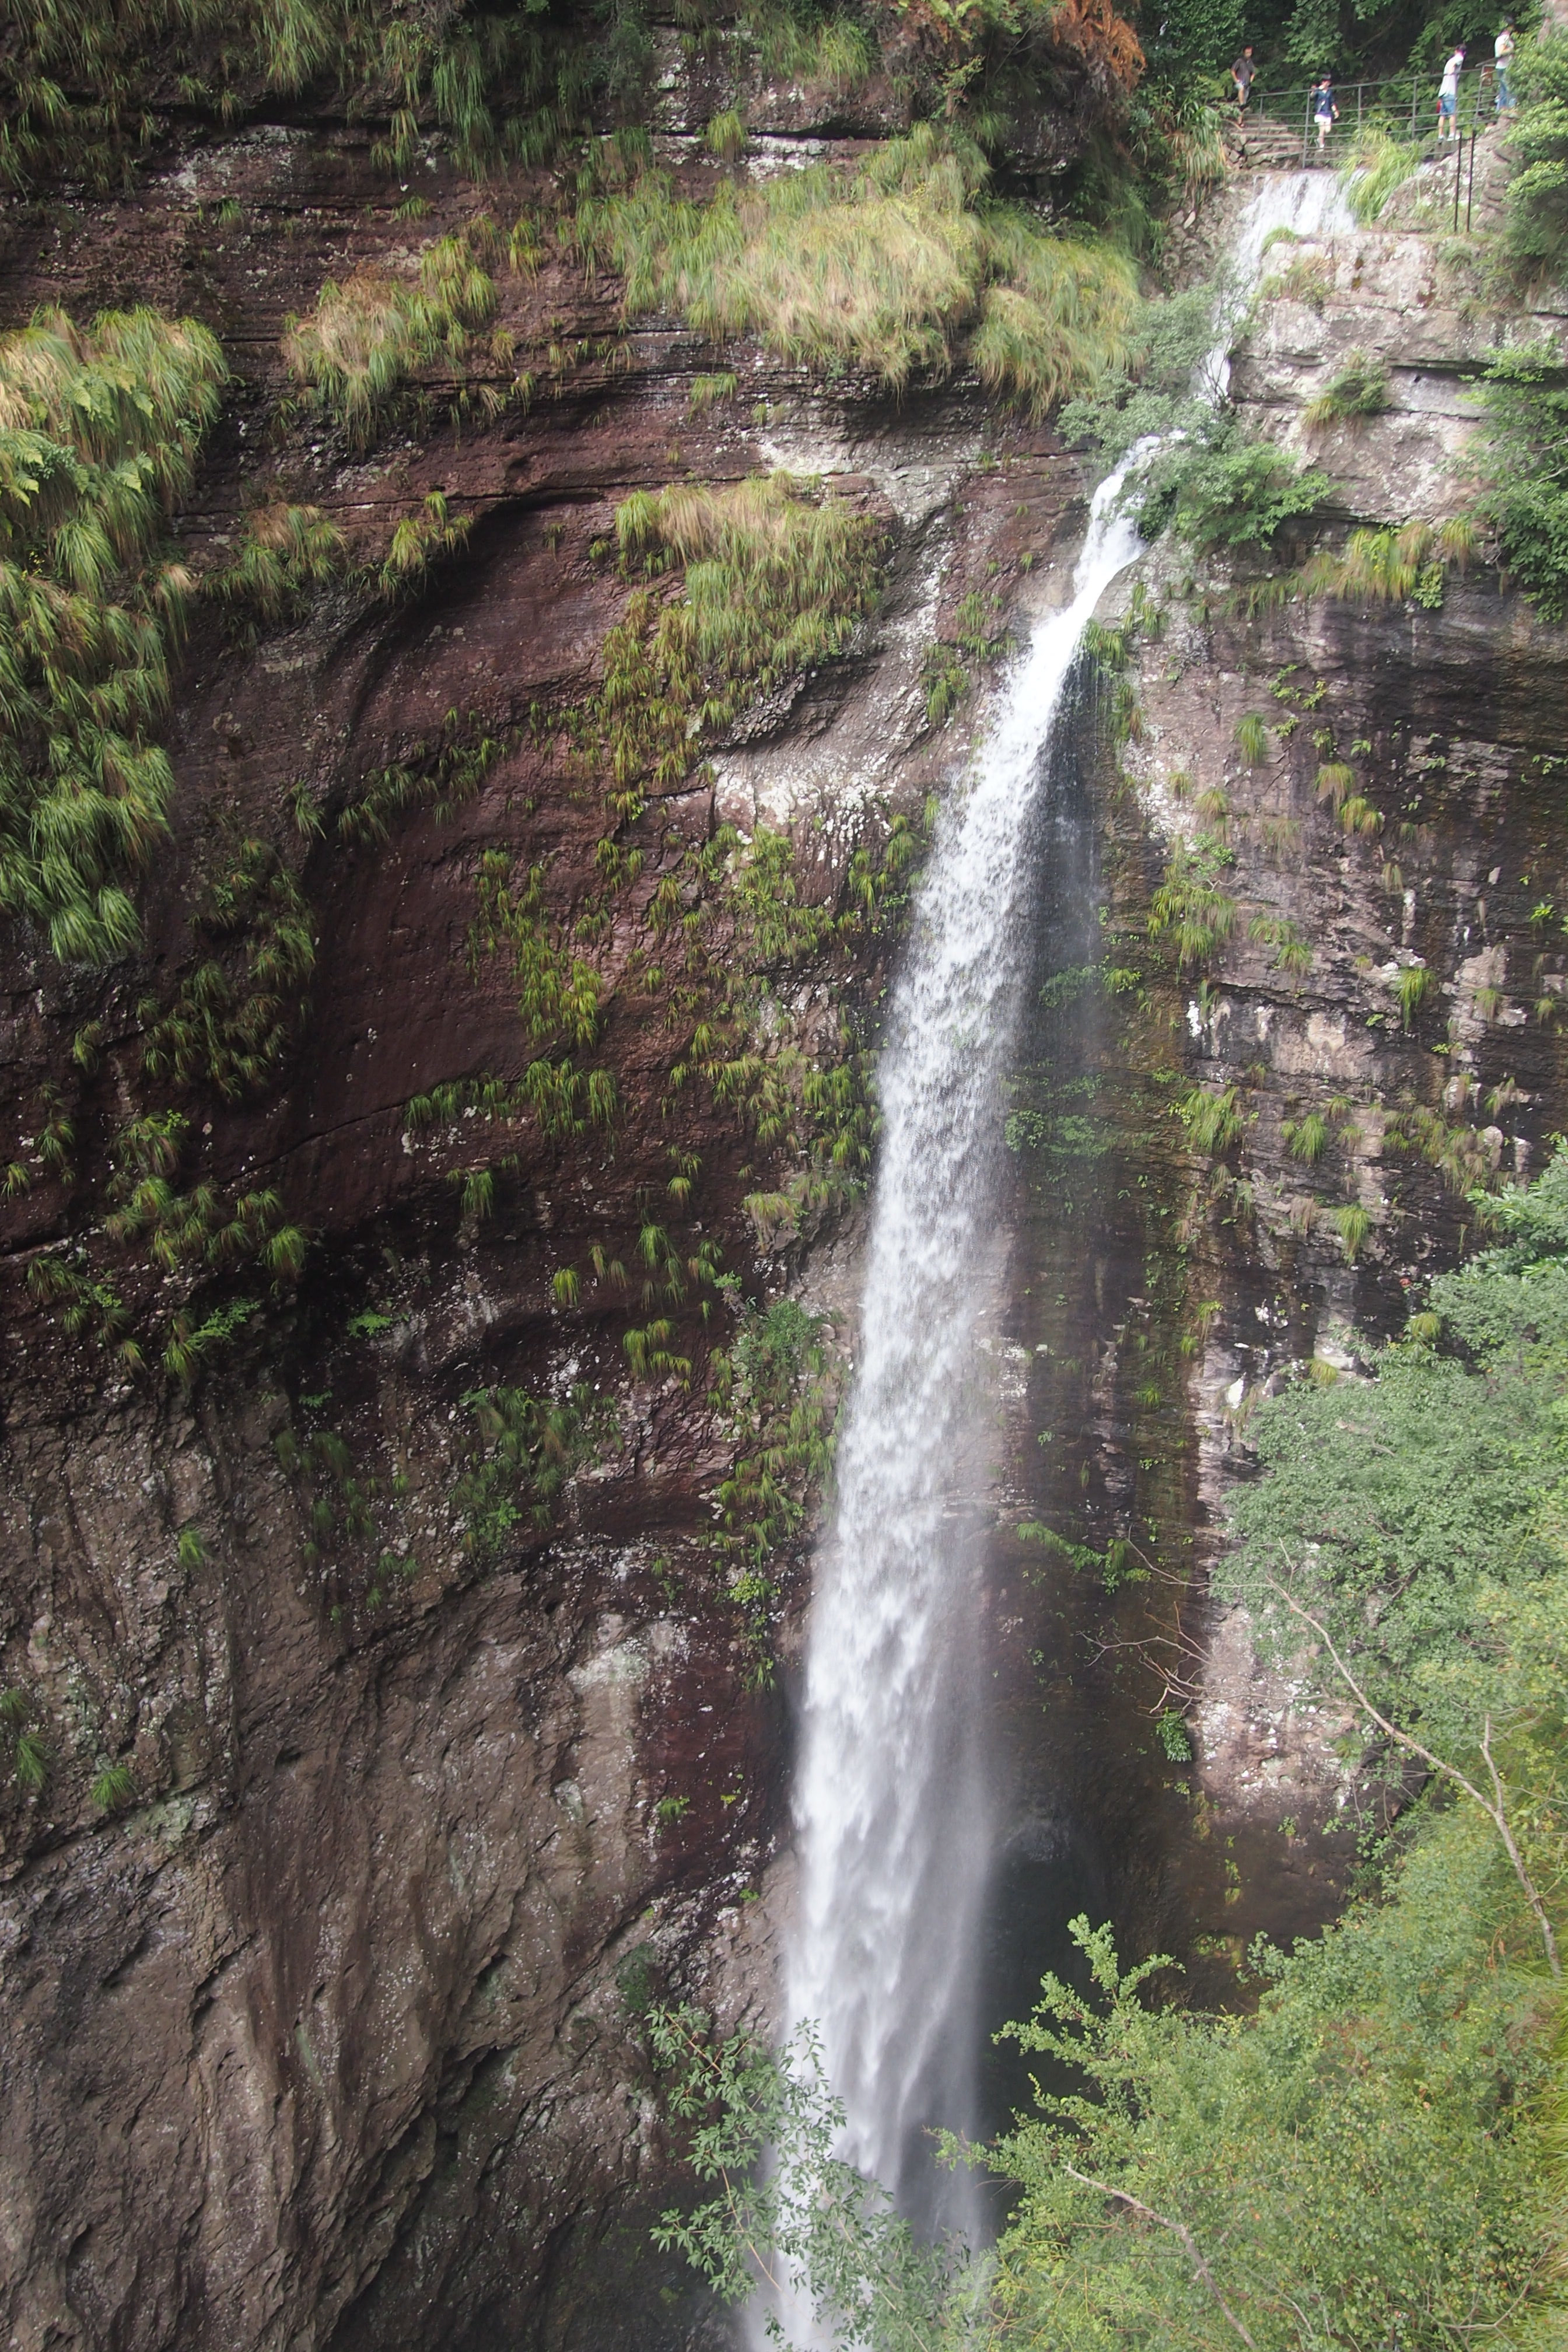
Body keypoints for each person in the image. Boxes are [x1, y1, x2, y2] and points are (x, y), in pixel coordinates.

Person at [1437, 43, 1465, 139]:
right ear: (1463, 53)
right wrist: (1451, 72)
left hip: (1443, 91)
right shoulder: (1459, 58)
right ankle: (1452, 134)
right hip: (1450, 91)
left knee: (1443, 115)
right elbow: (1453, 66)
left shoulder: (1449, 60)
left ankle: (1440, 135)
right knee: (1452, 114)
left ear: (1455, 51)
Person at [1312, 73, 1338, 150]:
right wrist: (1315, 90)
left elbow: (1332, 102)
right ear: (1323, 82)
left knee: (1328, 130)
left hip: (1327, 113)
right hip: (1320, 113)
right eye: (1327, 82)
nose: (1329, 83)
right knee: (1322, 129)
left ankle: (1318, 140)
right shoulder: (1318, 90)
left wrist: (1335, 111)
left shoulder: (1329, 92)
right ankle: (1321, 146)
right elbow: (1312, 96)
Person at [1495, 20, 1516, 113]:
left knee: (1503, 90)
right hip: (1505, 66)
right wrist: (1512, 50)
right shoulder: (1505, 38)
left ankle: (1502, 110)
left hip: (1501, 66)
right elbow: (1501, 52)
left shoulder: (1500, 38)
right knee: (1511, 88)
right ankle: (1512, 109)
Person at [1231, 44, 1257, 109]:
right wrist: (1236, 80)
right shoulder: (1239, 61)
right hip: (1238, 83)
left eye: (1250, 53)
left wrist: (1251, 80)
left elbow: (1253, 73)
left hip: (1247, 84)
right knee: (1241, 88)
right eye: (1247, 53)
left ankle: (1240, 115)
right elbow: (1232, 71)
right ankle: (1241, 104)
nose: (1249, 54)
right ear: (1244, 53)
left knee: (1244, 102)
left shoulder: (1250, 62)